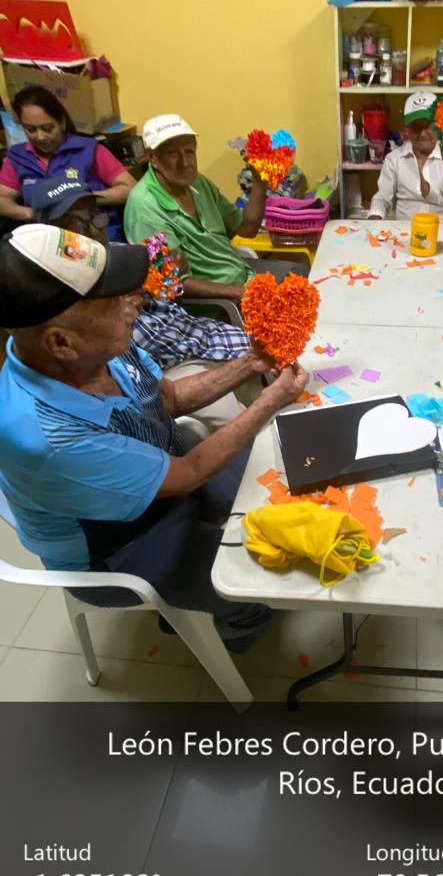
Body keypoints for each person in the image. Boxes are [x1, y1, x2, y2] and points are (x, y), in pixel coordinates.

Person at [0, 223, 308, 649]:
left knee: (271, 482)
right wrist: (270, 401)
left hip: (166, 467)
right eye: (114, 302)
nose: (134, 307)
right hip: (119, 546)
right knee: (257, 583)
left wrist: (250, 362)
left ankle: (199, 581)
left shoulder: (99, 345)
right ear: (61, 342)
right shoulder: (48, 437)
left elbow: (171, 398)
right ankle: (241, 623)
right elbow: (188, 474)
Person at [29, 172, 259, 431]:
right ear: (50, 235)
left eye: (94, 216)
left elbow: (169, 282)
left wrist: (173, 267)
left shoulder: (117, 252)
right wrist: (130, 303)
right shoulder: (59, 294)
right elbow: (114, 363)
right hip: (162, 365)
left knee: (273, 365)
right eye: (76, 224)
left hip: (192, 336)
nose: (93, 229)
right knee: (240, 421)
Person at [124, 115, 306, 305]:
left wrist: (259, 183)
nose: (185, 163)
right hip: (218, 303)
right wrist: (242, 293)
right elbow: (173, 283)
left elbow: (247, 228)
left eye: (189, 151)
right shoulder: (144, 207)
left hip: (243, 274)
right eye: (173, 153)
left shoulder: (197, 183)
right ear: (152, 157)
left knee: (301, 275)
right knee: (296, 305)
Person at [0, 86, 136, 240]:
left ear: (62, 122)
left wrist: (83, 199)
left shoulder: (88, 149)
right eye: (30, 129)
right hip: (45, 240)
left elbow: (130, 188)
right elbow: (2, 198)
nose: (40, 137)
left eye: (47, 128)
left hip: (93, 235)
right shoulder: (18, 157)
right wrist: (32, 213)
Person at [368, 93, 443, 222]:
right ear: (407, 130)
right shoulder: (394, 160)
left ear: (439, 126)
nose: (423, 133)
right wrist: (374, 221)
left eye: (429, 126)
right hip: (406, 230)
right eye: (416, 127)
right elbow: (382, 199)